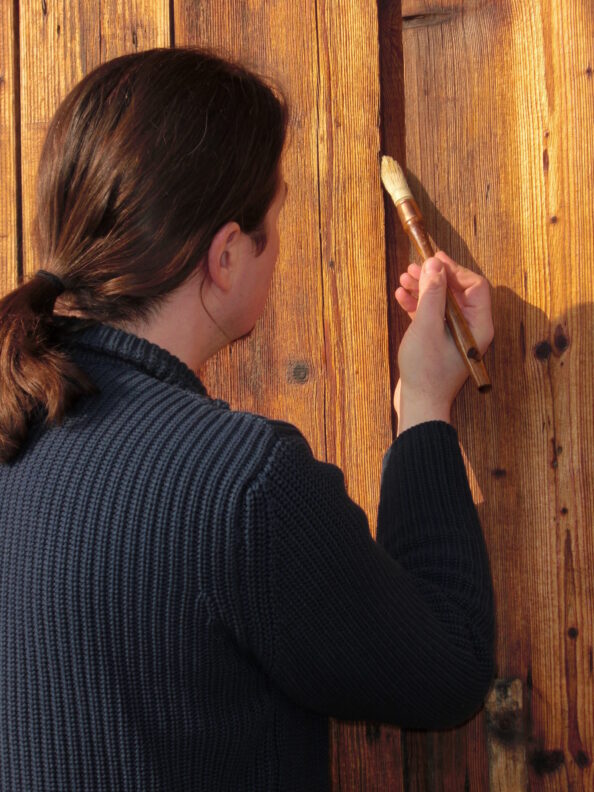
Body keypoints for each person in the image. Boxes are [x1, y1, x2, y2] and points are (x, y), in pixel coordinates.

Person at [0, 46, 495, 792]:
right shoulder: (239, 485)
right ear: (226, 254)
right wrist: (424, 405)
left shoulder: (17, 428)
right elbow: (448, 669)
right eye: (275, 215)